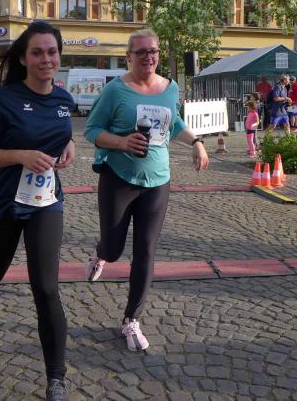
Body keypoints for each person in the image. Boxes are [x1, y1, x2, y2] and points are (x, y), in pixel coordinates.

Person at [84, 28, 209, 352]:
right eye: (141, 52)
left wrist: (196, 142)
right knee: (114, 249)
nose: (148, 57)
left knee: (146, 251)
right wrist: (122, 142)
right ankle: (101, 253)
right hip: (118, 178)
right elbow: (92, 130)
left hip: (157, 181)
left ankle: (131, 320)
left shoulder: (170, 87)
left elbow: (174, 122)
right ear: (129, 56)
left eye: (153, 51)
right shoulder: (115, 90)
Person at [0, 21, 75, 401]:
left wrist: (69, 148)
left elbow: (62, 136)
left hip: (45, 203)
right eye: (37, 52)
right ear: (23, 58)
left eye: (52, 52)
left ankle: (56, 380)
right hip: (3, 203)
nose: (46, 59)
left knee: (46, 287)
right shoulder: (6, 99)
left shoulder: (64, 100)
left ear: (59, 55)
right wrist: (21, 156)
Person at [264, 74, 292, 138]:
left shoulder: (285, 88)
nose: (289, 81)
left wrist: (288, 102)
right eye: (288, 79)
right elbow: (276, 98)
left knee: (287, 124)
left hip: (283, 110)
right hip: (276, 110)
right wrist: (286, 98)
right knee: (273, 125)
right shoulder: (277, 87)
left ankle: (289, 138)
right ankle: (265, 138)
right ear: (284, 80)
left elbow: (284, 99)